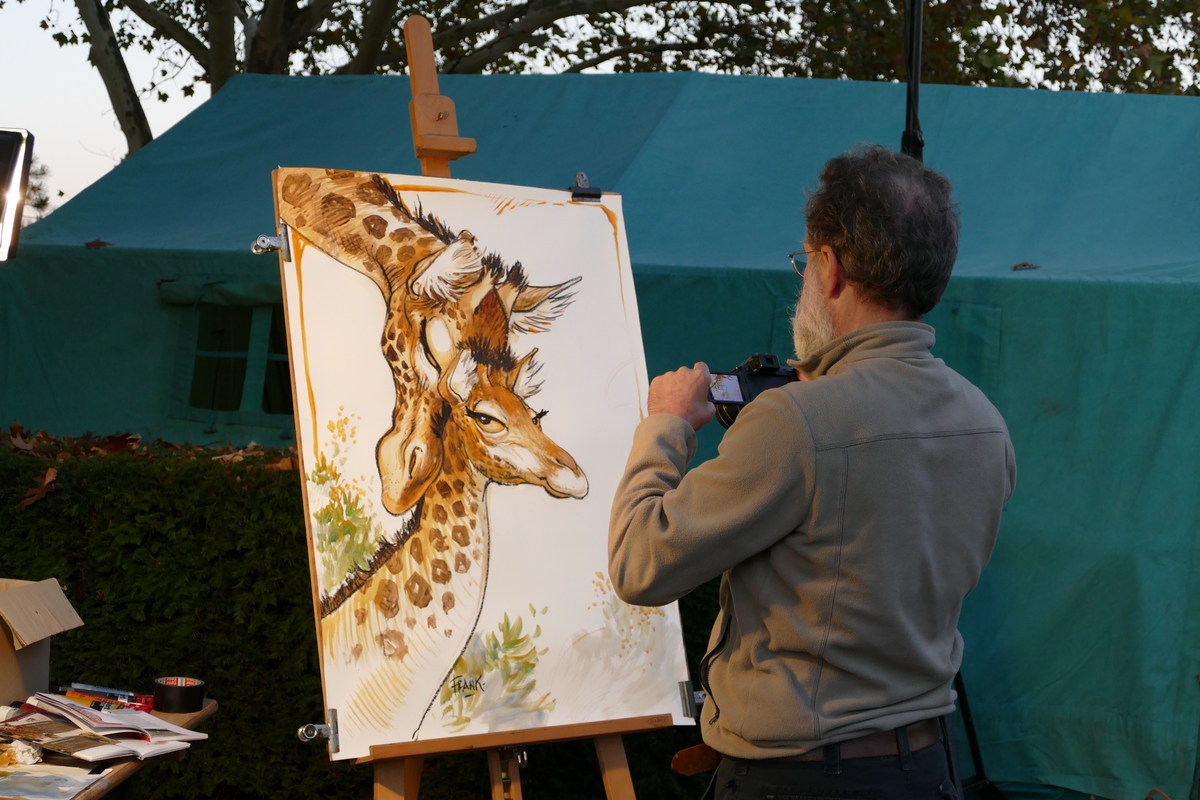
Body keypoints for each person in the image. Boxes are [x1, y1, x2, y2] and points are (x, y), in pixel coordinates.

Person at [608, 146, 1016, 800]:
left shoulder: (797, 422)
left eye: (805, 262)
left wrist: (668, 425)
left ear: (832, 268)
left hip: (799, 777)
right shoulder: (986, 424)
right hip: (927, 771)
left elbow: (639, 564)